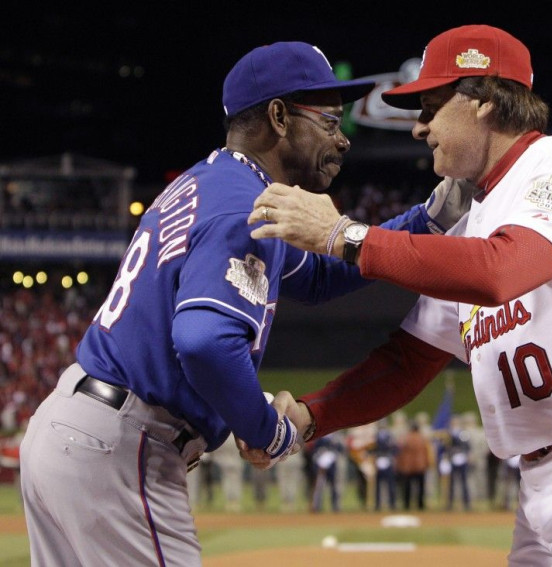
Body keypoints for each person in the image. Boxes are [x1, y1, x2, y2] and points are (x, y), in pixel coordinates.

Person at [244, 24, 552, 565]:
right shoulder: (474, 215)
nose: (419, 129)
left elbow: (501, 271)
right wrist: (310, 415)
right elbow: (410, 360)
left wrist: (345, 237)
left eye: (430, 107)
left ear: (483, 100)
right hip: (540, 476)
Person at [18, 40, 468, 566]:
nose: (342, 140)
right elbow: (206, 341)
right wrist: (264, 429)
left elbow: (319, 276)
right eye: (328, 122)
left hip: (74, 431)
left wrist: (423, 221)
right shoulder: (244, 204)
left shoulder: (210, 181)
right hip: (120, 446)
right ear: (279, 117)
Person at [395, 419, 433, 510]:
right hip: (420, 466)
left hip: (408, 466)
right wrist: (427, 463)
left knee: (407, 487)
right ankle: (420, 505)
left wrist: (400, 465)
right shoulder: (422, 438)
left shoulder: (405, 438)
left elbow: (400, 453)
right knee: (420, 487)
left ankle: (406, 505)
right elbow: (427, 452)